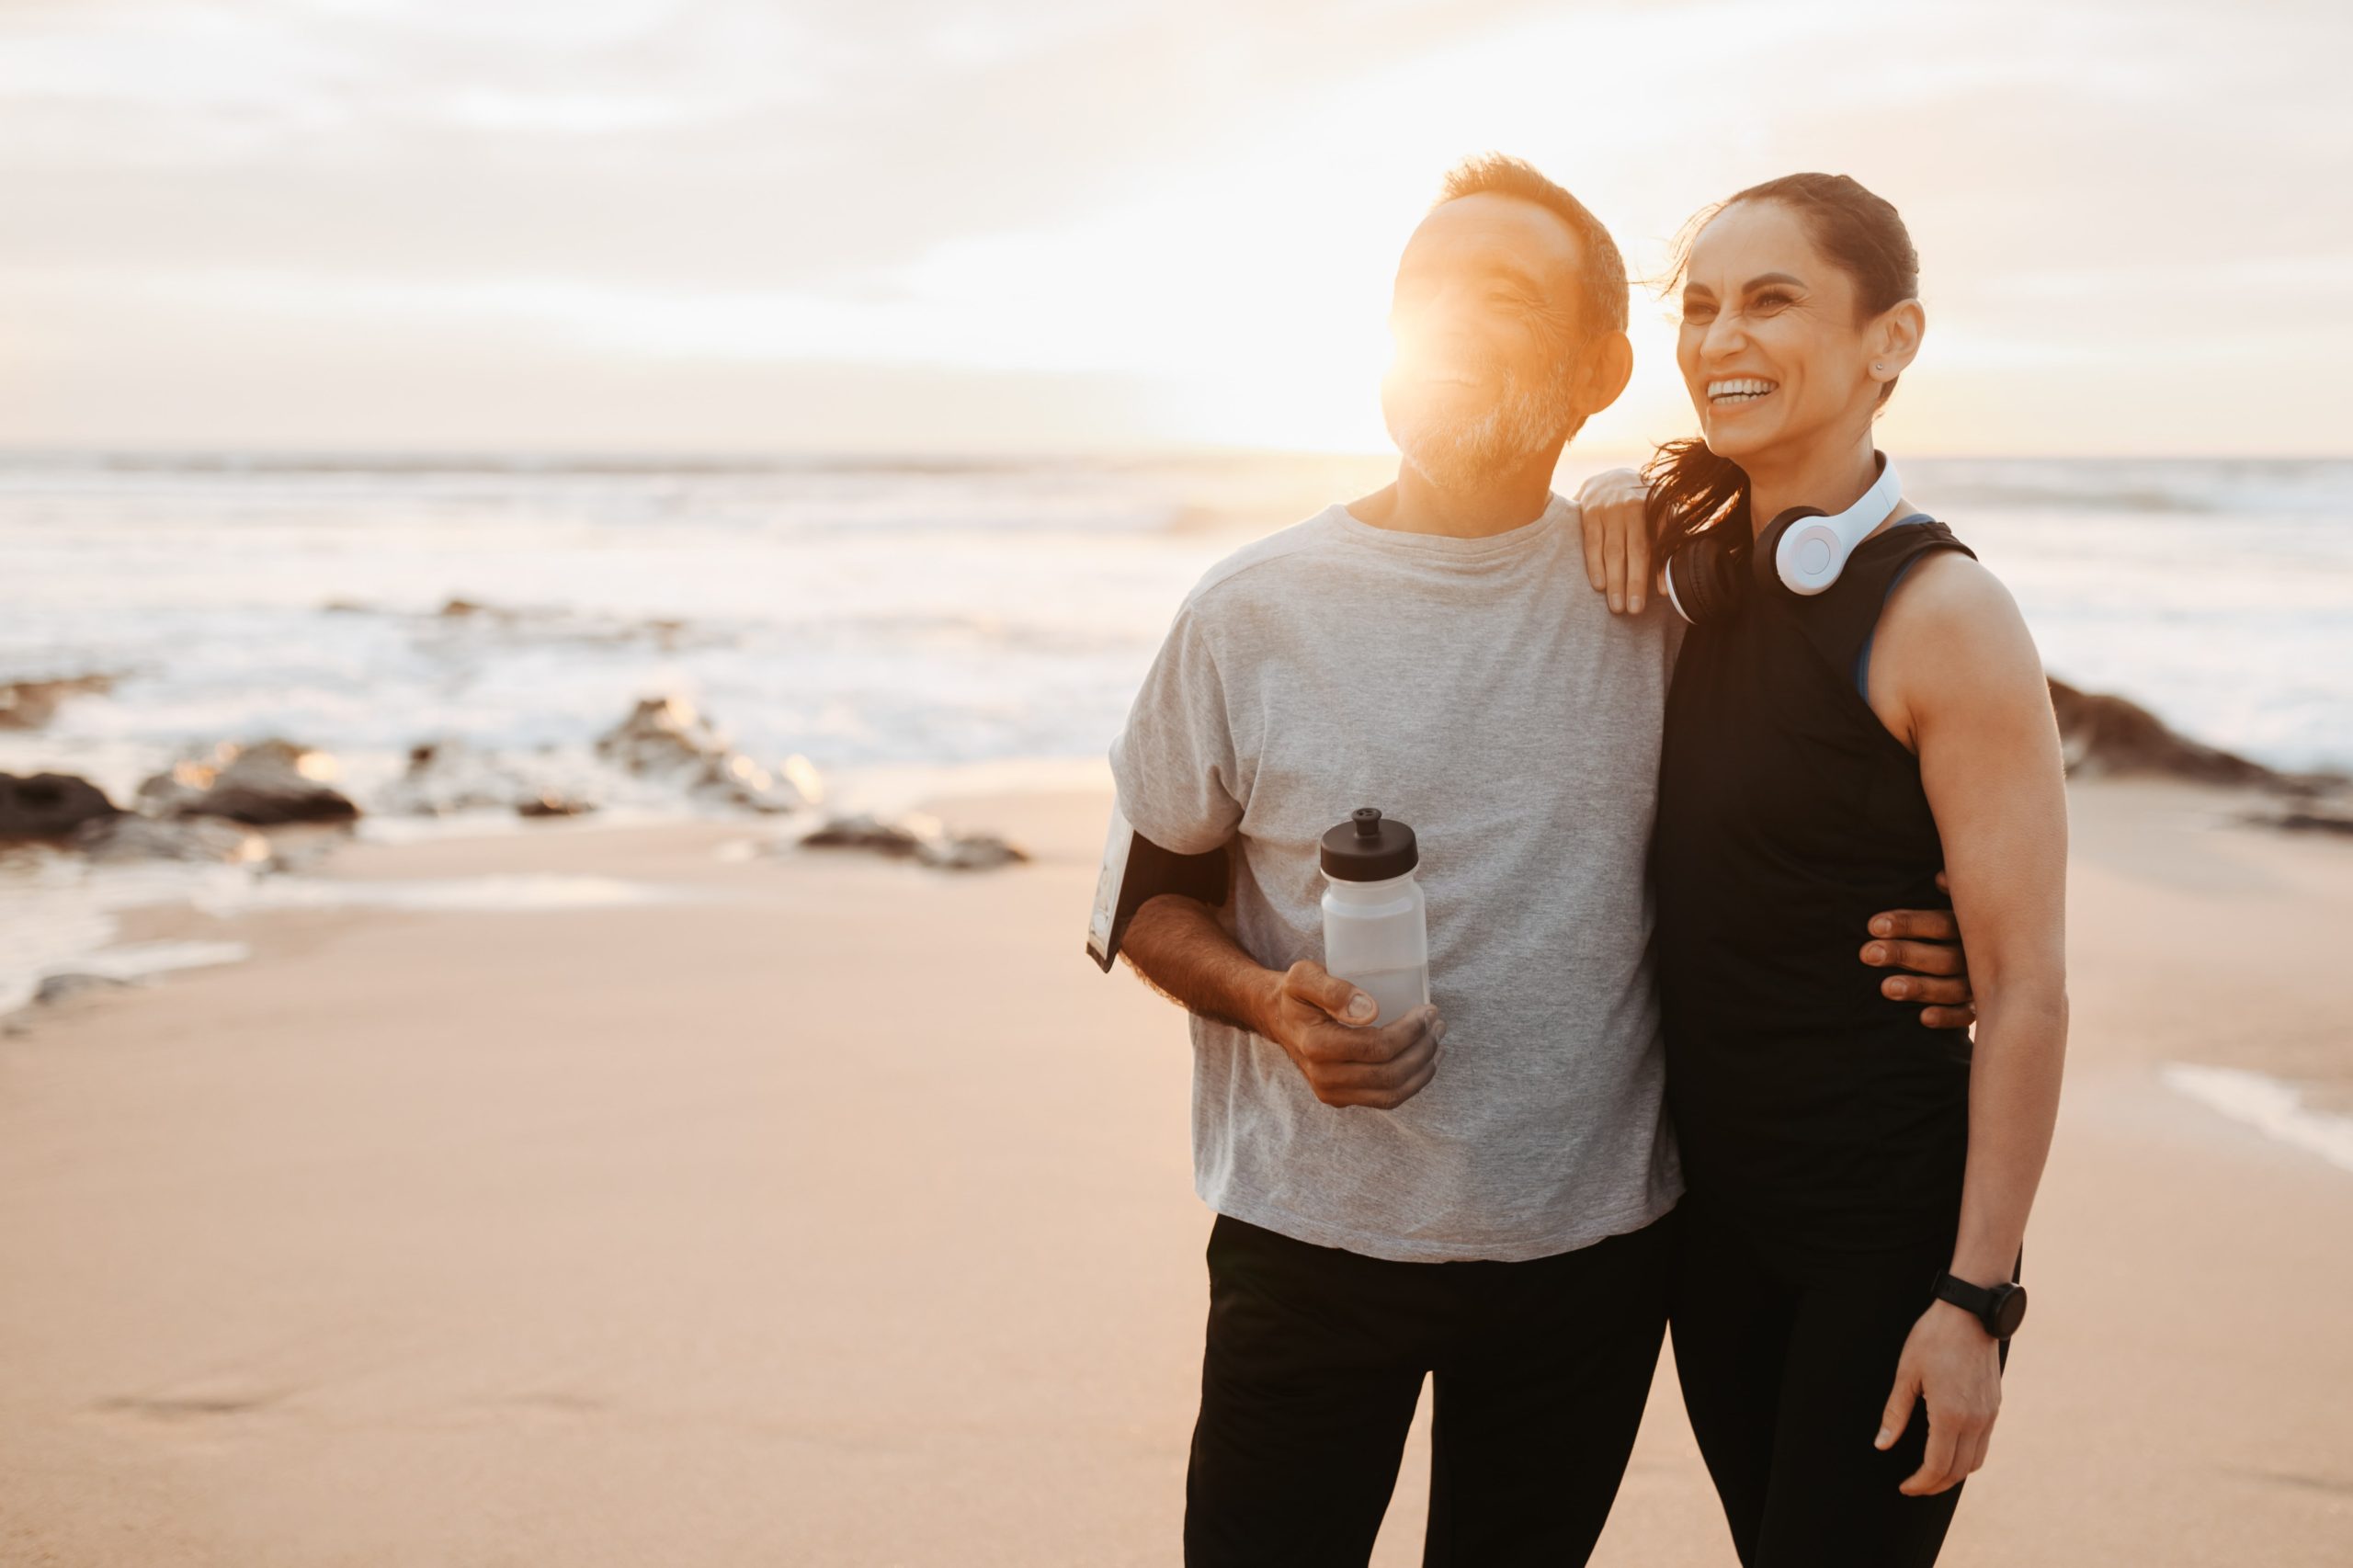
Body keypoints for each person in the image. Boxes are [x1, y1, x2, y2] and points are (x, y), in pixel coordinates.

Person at [1104, 154, 1977, 1568]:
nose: (1446, 326)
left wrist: (1943, 934)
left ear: (1599, 366)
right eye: (1420, 296)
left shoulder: (1668, 597)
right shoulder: (1247, 613)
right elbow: (1148, 898)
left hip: (1592, 1262)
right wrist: (1271, 1003)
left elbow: (1843, 789)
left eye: (1499, 299)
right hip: (1308, 1244)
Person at [1574, 173, 2069, 1566]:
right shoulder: (1692, 568)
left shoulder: (1944, 614)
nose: (1722, 338)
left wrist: (1975, 1300)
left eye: (1772, 299)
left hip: (1887, 1243)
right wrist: (1616, 482)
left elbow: (2026, 984)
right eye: (1702, 306)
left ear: (1890, 340)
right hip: (1710, 1231)